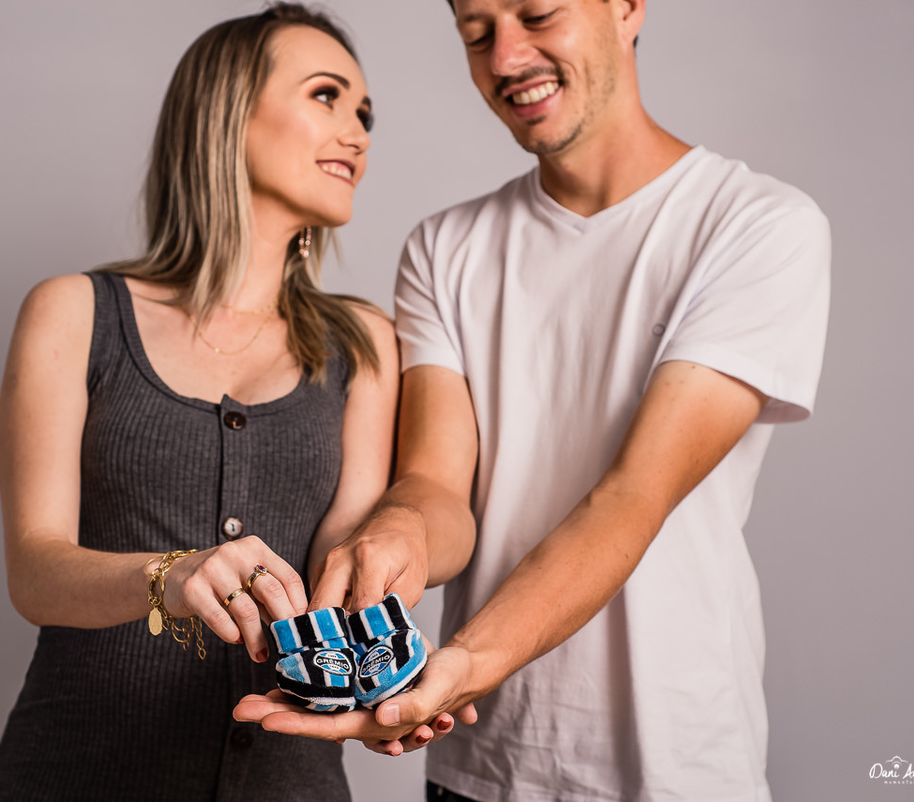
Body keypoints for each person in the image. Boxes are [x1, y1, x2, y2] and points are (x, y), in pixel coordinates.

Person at [236, 1, 832, 800]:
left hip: (674, 765)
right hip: (482, 767)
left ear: (627, 8)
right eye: (477, 34)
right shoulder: (444, 248)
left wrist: (464, 664)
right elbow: (437, 485)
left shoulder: (755, 225)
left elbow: (633, 495)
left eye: (538, 13)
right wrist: (399, 528)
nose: (506, 58)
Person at [0, 5, 402, 800]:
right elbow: (35, 571)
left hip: (290, 783)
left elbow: (345, 572)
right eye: (326, 96)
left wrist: (394, 685)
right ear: (228, 109)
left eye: (365, 115)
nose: (357, 134)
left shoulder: (363, 342)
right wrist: (168, 576)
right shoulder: (74, 314)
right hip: (79, 774)